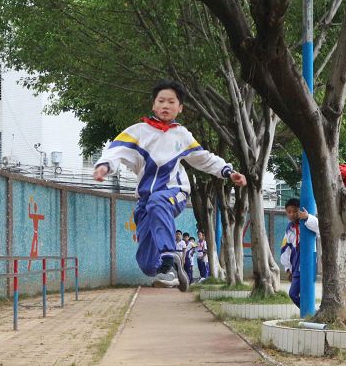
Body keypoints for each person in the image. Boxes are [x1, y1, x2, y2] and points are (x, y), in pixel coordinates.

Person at [93, 80, 246, 291]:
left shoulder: (181, 135)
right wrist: (103, 166)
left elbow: (203, 158)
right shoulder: (137, 132)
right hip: (145, 201)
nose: (166, 105)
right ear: (153, 105)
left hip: (175, 192)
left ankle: (169, 258)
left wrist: (228, 171)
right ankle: (172, 270)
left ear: (180, 108)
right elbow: (115, 151)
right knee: (147, 265)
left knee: (158, 202)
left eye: (171, 102)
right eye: (161, 101)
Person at [280, 198, 320, 308]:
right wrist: (288, 268)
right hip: (296, 264)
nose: (292, 214)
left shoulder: (307, 223)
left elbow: (319, 228)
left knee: (307, 291)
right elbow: (285, 249)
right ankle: (308, 312)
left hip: (308, 261)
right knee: (293, 294)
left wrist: (308, 217)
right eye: (289, 212)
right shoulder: (289, 229)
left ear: (300, 211)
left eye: (295, 211)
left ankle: (310, 313)